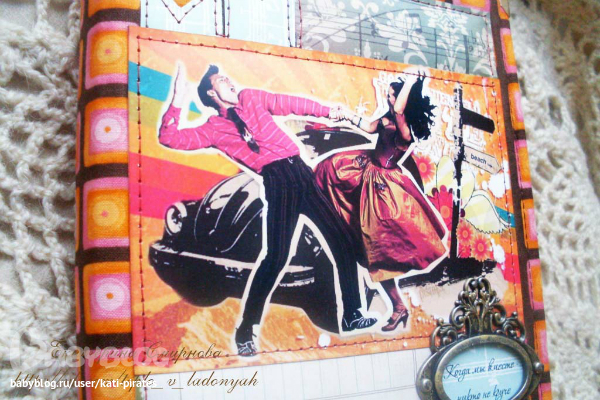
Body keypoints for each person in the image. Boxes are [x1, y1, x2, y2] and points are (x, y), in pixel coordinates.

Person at [158, 64, 377, 357]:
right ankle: (246, 330)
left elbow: (290, 103)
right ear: (211, 93)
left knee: (343, 241)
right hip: (278, 183)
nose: (229, 80)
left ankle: (352, 313)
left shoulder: (251, 98)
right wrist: (176, 101)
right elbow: (170, 138)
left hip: (302, 173)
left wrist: (328, 112)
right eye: (221, 79)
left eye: (227, 76)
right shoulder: (214, 129)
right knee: (275, 259)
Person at [315, 74, 448, 332]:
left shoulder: (405, 130)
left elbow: (399, 110)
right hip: (367, 169)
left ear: (403, 100)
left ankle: (398, 307)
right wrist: (346, 115)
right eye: (388, 94)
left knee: (377, 253)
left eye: (392, 95)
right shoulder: (388, 118)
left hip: (384, 190)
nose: (387, 98)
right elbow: (368, 126)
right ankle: (398, 307)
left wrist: (410, 82)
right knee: (330, 169)